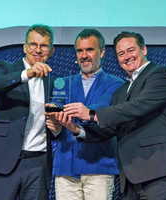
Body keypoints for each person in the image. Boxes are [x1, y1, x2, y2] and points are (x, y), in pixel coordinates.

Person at [56, 31, 166, 200]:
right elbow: (111, 128)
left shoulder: (160, 74)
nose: (127, 57)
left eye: (131, 50)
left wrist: (90, 113)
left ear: (144, 49)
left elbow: (136, 107)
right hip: (132, 178)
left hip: (159, 172)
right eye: (121, 53)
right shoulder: (121, 90)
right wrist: (76, 129)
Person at [0, 24, 55, 200]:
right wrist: (27, 73)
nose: (38, 50)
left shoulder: (52, 81)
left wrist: (56, 127)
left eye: (44, 46)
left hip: (38, 165)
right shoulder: (5, 67)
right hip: (4, 161)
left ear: (51, 51)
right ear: (25, 47)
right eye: (33, 44)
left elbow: (51, 124)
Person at [45, 28, 124, 200]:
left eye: (89, 50)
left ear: (102, 52)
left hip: (99, 165)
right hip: (66, 166)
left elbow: (104, 108)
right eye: (80, 50)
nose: (84, 55)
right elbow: (57, 106)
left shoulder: (116, 84)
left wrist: (77, 113)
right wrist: (54, 118)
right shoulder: (62, 83)